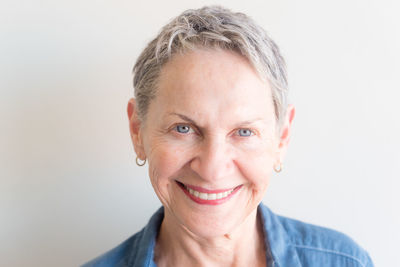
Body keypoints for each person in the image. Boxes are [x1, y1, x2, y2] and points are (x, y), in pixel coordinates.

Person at [82, 6, 373, 267]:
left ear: (281, 138)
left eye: (244, 132)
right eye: (183, 128)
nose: (212, 169)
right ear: (137, 130)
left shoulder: (346, 262)